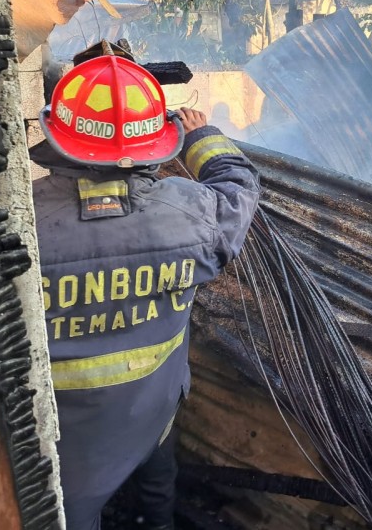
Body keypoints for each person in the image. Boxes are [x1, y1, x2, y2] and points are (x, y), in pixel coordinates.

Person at [30, 51, 261, 530]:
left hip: (67, 436)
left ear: (58, 135)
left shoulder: (19, 225)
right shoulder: (194, 215)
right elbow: (239, 186)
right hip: (153, 408)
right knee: (158, 489)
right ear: (158, 141)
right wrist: (200, 136)